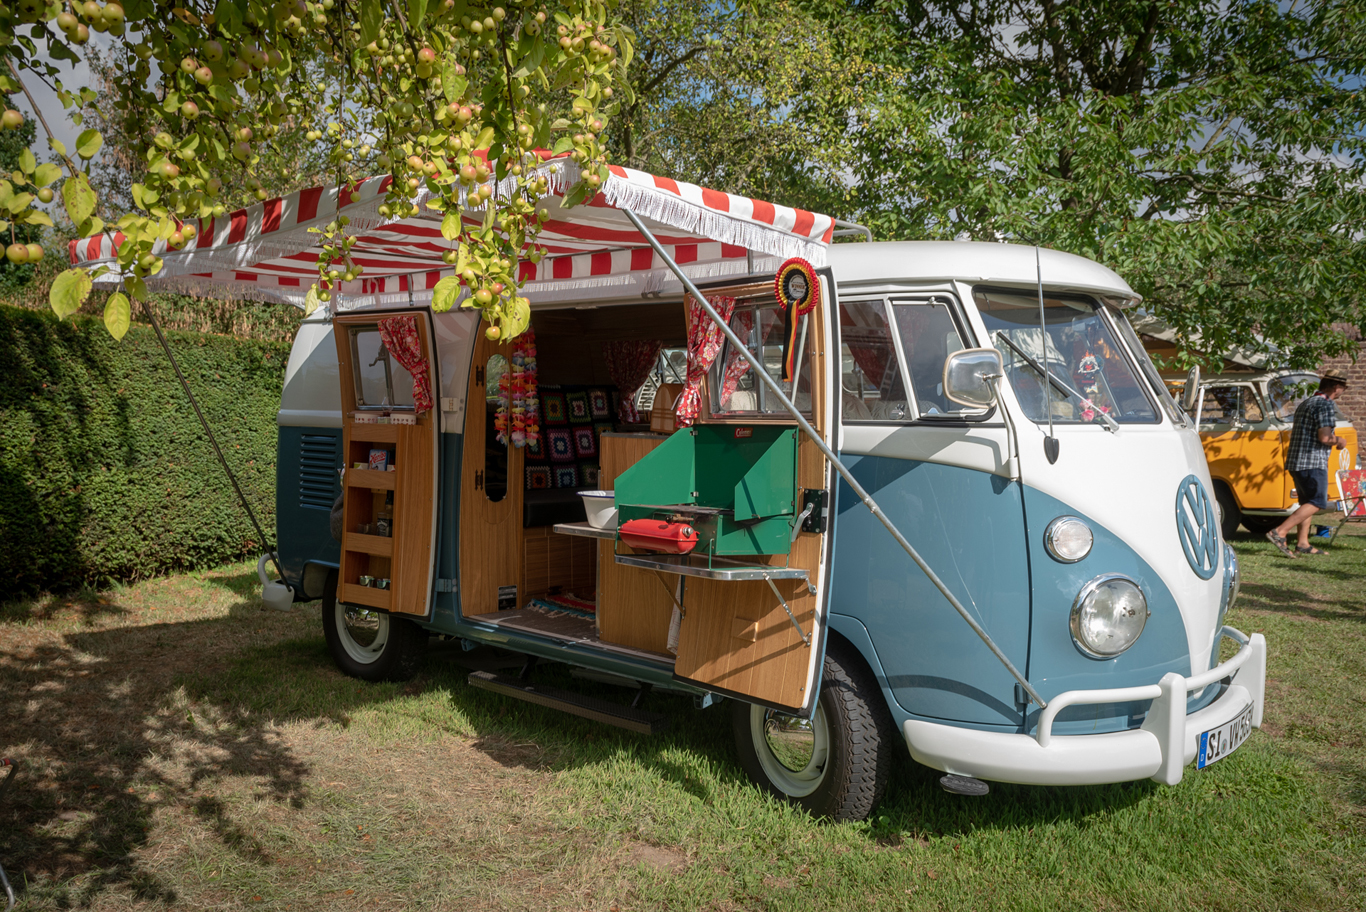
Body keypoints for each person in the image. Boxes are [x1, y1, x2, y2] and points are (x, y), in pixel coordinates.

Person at [1267, 369, 1350, 557]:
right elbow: (1325, 437)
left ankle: (1303, 543)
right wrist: (1339, 441)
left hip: (1296, 461)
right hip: (1312, 461)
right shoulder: (1325, 405)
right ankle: (1279, 532)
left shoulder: (1308, 402)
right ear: (1336, 387)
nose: (1343, 391)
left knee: (1306, 502)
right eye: (1344, 387)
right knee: (1317, 502)